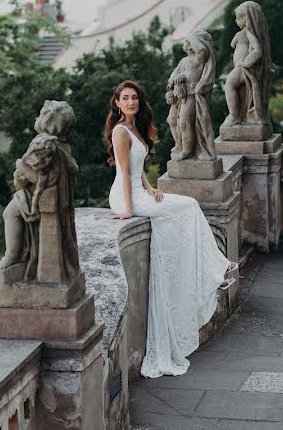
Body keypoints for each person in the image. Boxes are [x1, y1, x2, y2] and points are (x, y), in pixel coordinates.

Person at [105, 80, 236, 378]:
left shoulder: (135, 127)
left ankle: (214, 270)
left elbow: (138, 172)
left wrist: (151, 189)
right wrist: (128, 209)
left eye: (134, 97)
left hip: (139, 192)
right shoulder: (120, 131)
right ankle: (217, 269)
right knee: (189, 206)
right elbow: (124, 172)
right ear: (117, 103)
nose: (131, 102)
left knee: (187, 206)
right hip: (125, 196)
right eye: (125, 98)